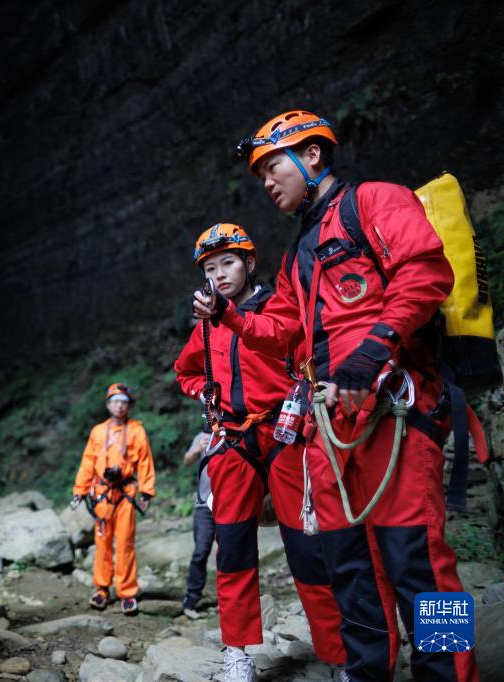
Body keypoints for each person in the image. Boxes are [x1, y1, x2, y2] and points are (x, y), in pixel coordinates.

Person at [193, 110, 476, 681]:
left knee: (418, 558)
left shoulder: (375, 202)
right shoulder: (300, 253)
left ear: (313, 155)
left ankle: (451, 676)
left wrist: (373, 350)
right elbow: (281, 332)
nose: (268, 183)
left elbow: (425, 272)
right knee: (350, 563)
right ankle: (367, 671)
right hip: (331, 428)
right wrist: (229, 316)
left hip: (395, 412)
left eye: (274, 167)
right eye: (262, 175)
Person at [177, 223, 345, 681]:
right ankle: (237, 652)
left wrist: (227, 313)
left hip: (284, 435)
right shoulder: (208, 325)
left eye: (228, 262)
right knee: (231, 550)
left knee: (307, 549)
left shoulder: (276, 306)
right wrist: (201, 392)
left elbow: (278, 336)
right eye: (211, 268)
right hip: (233, 440)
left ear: (250, 263)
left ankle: (337, 654)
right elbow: (186, 370)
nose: (220, 273)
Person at [70, 383, 155, 615]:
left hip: (125, 494)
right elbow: (88, 461)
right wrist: (80, 490)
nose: (120, 406)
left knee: (125, 543)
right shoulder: (98, 431)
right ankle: (102, 588)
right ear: (108, 405)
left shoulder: (137, 430)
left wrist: (146, 491)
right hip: (102, 495)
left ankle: (127, 592)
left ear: (128, 406)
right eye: (116, 401)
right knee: (102, 544)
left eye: (124, 402)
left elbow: (145, 461)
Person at [181, 431, 215, 620]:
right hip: (204, 505)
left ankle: (231, 602)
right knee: (201, 551)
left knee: (231, 552)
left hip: (229, 503)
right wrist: (197, 449)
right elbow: (187, 461)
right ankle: (191, 599)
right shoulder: (202, 435)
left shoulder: (236, 429)